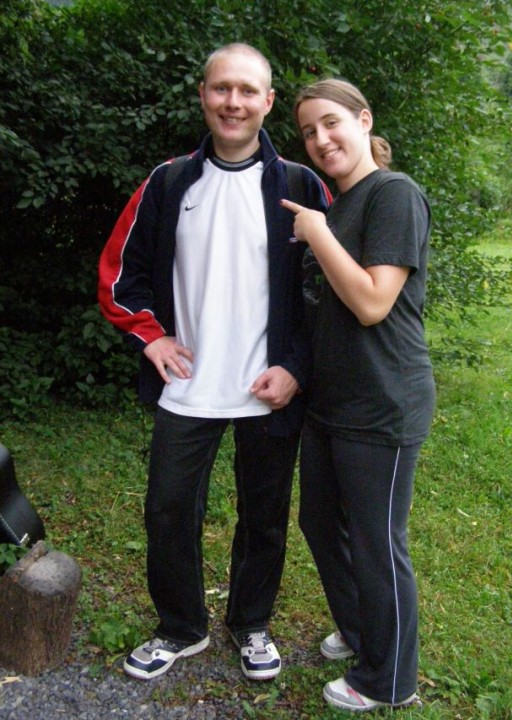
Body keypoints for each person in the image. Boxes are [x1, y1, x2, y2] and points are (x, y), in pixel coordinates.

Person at [98, 44, 330, 682]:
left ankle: (250, 623)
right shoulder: (169, 181)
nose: (234, 102)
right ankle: (181, 628)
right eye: (222, 88)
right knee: (168, 510)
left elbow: (328, 293)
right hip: (189, 385)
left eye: (247, 90)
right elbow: (119, 273)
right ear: (203, 94)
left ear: (268, 102)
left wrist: (297, 367)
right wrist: (150, 337)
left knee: (265, 517)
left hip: (269, 386)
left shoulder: (300, 186)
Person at [281, 78, 435, 713]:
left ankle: (390, 680)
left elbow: (373, 303)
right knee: (319, 522)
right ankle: (363, 630)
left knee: (376, 540)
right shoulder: (340, 203)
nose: (320, 139)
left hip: (383, 400)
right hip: (332, 400)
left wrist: (317, 233)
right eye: (308, 132)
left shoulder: (393, 194)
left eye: (331, 123)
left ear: (363, 120)